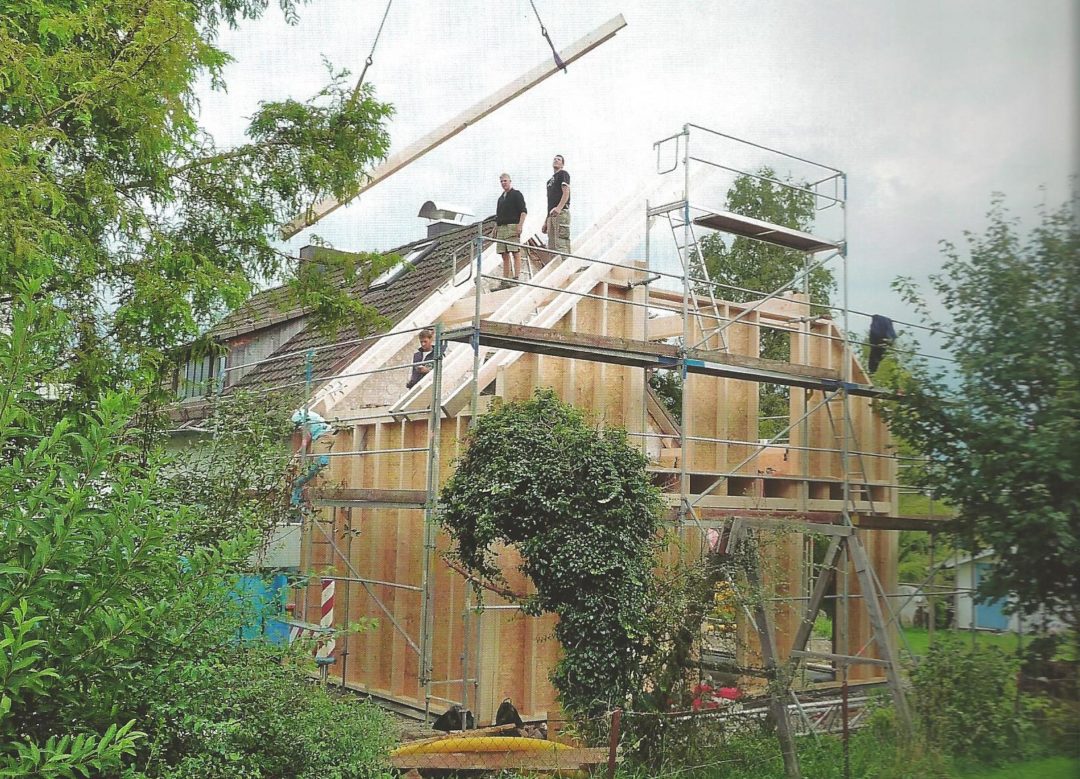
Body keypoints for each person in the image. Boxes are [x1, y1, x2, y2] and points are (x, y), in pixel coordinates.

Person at [495, 173, 527, 280]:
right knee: (504, 254)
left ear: (510, 181)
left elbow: (523, 211)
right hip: (501, 228)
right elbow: (498, 216)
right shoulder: (500, 199)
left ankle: (516, 277)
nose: (503, 183)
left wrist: (520, 225)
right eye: (501, 181)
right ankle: (505, 278)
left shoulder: (516, 194)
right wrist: (495, 229)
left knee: (515, 251)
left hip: (512, 226)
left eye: (505, 181)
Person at [543, 154, 571, 255]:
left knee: (561, 243)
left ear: (562, 164)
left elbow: (566, 192)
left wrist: (559, 208)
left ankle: (566, 269)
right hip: (551, 215)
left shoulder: (563, 174)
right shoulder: (549, 182)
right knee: (552, 247)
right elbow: (550, 202)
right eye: (554, 159)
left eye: (558, 159)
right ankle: (555, 268)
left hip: (561, 212)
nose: (556, 160)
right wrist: (546, 221)